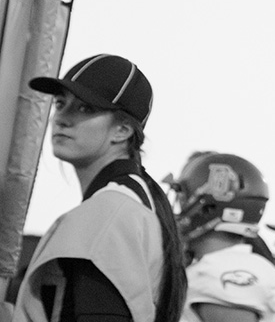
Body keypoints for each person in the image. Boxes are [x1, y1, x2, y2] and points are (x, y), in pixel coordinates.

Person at [13, 54, 186, 322]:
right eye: (60, 104)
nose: (62, 118)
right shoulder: (133, 198)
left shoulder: (109, 212)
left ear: (123, 131)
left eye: (86, 109)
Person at [169, 151, 275, 322]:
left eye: (184, 200)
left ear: (209, 207)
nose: (179, 210)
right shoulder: (213, 264)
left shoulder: (224, 268)